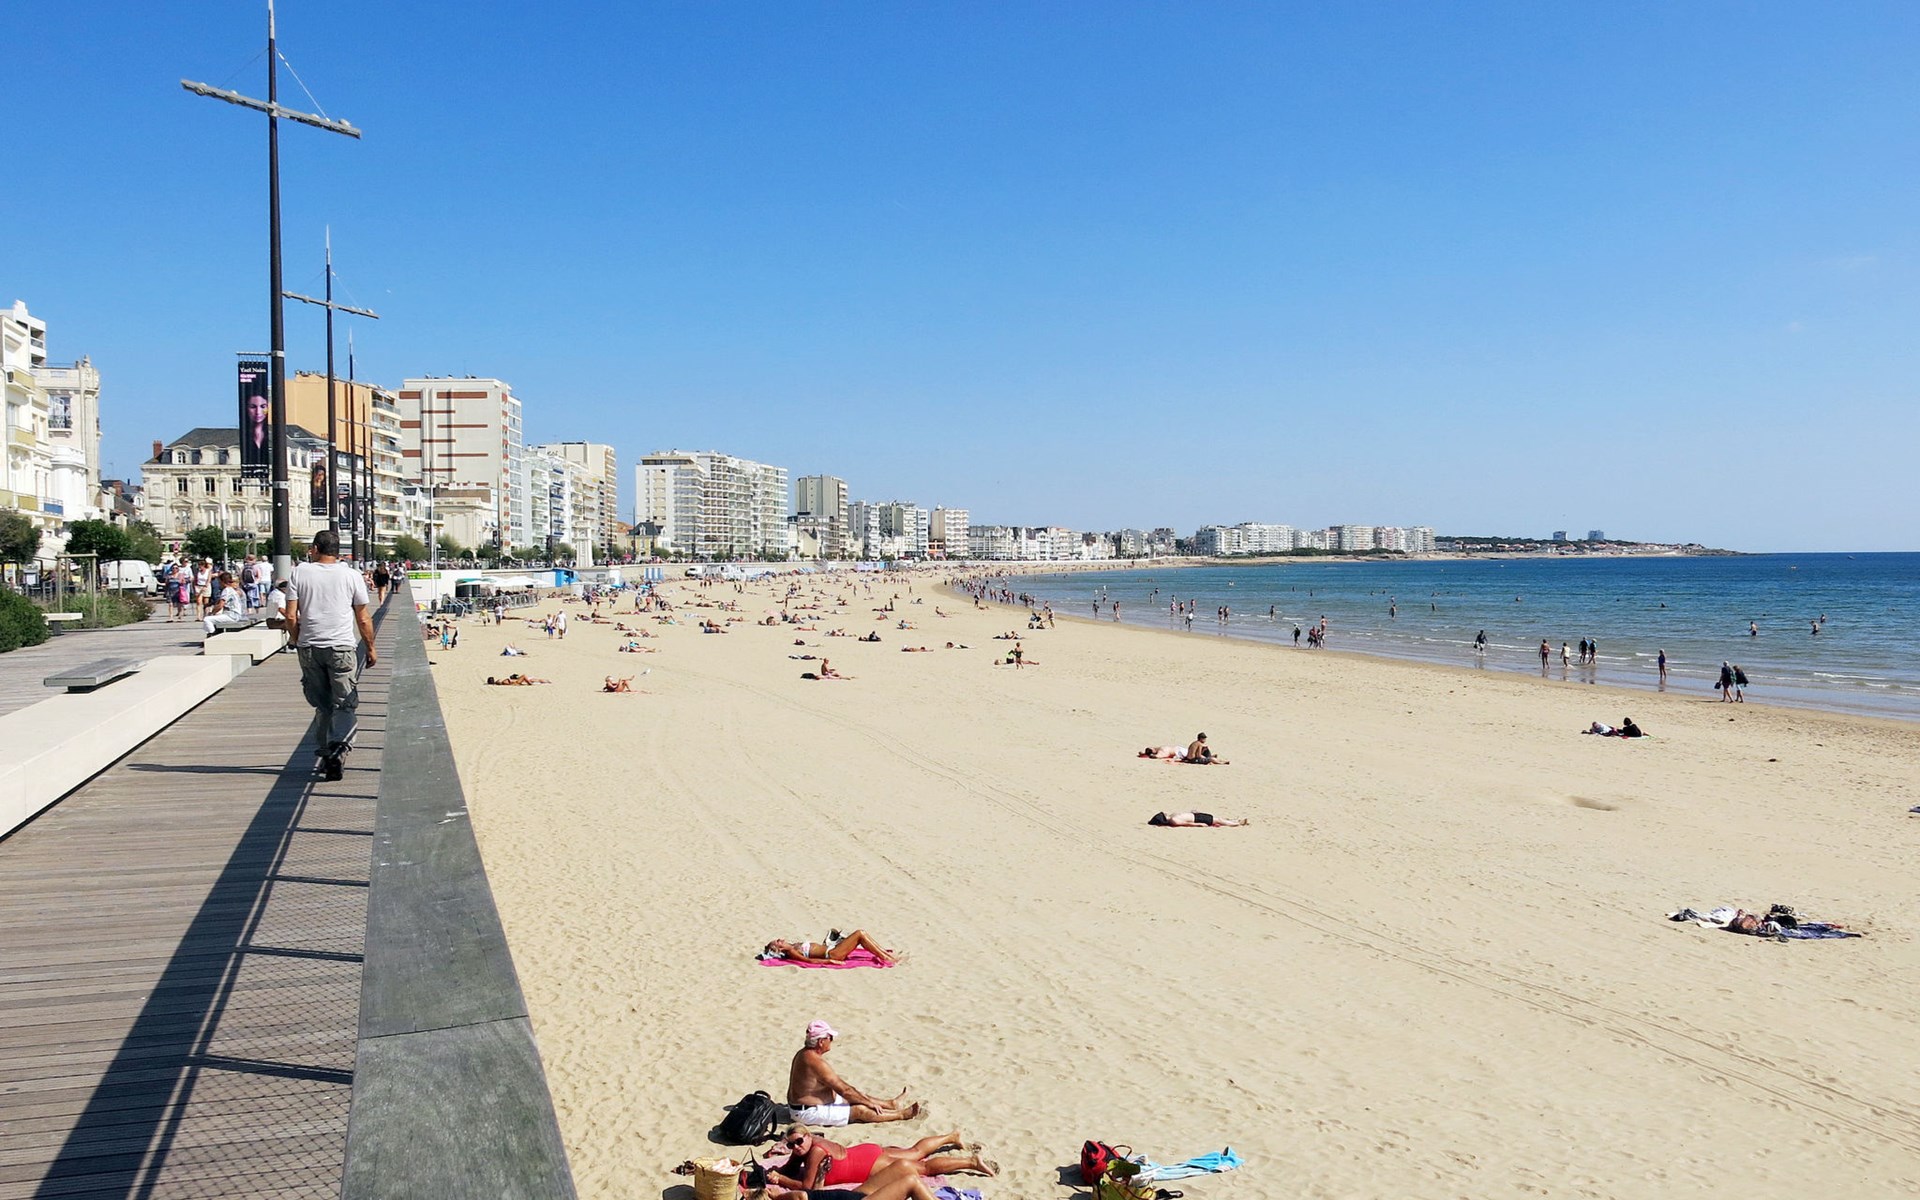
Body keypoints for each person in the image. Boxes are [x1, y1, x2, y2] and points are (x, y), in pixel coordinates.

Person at [285, 530, 376, 782]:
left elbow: (291, 615)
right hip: (341, 647)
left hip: (309, 648)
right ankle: (339, 747)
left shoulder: (299, 572)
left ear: (315, 548)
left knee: (323, 704)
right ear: (337, 551)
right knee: (344, 702)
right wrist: (370, 647)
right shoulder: (351, 575)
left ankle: (327, 751)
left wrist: (296, 639)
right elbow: (363, 618)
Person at [769, 1128, 994, 1191]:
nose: (795, 1147)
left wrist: (781, 1180)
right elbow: (789, 1167)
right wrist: (779, 1171)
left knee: (923, 1168)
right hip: (864, 1152)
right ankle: (951, 1137)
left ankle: (971, 1162)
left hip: (867, 1166)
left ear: (808, 1137)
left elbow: (808, 1187)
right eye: (791, 1145)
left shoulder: (815, 1152)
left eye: (799, 1142)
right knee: (915, 1151)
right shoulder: (807, 1144)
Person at [786, 1021, 919, 1126]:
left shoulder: (804, 1054)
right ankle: (901, 1115)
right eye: (830, 1038)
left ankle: (891, 1104)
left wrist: (865, 1099)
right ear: (821, 1042)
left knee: (858, 1095)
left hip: (811, 1105)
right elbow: (844, 1090)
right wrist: (869, 1103)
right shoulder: (815, 1062)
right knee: (860, 1109)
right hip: (807, 1113)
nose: (832, 1040)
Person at [762, 931, 896, 965]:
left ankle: (884, 954)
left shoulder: (792, 946)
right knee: (860, 934)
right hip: (833, 954)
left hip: (832, 949)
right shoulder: (792, 951)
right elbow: (808, 961)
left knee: (862, 934)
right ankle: (885, 957)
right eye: (778, 942)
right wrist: (830, 961)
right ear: (780, 949)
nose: (781, 940)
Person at [202, 572, 251, 636]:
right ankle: (214, 633)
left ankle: (212, 635)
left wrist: (212, 613)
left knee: (207, 619)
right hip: (236, 614)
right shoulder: (232, 590)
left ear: (222, 581)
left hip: (232, 616)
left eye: (219, 582)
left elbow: (220, 605)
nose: (219, 584)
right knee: (214, 618)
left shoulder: (226, 590)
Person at [1149, 811, 1250, 827]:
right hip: (1197, 819)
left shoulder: (1172, 816)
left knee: (1218, 819)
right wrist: (1198, 824)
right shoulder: (1173, 820)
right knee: (1218, 820)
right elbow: (1186, 823)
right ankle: (1237, 823)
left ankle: (1234, 821)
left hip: (1196, 815)